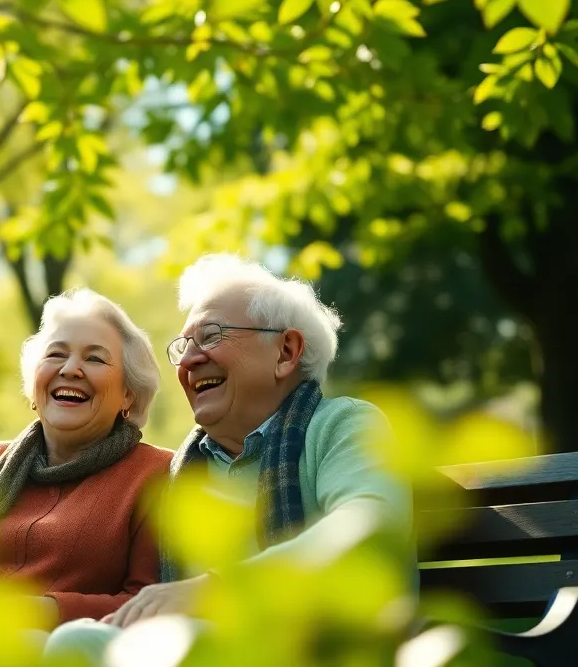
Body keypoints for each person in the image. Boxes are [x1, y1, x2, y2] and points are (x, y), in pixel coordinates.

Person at [44, 254, 414, 660]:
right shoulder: (184, 473)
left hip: (322, 650)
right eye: (184, 346)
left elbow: (369, 531)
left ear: (286, 352)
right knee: (72, 642)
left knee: (75, 645)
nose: (186, 361)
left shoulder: (344, 425)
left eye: (212, 335)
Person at [0, 289, 173, 626]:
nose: (71, 369)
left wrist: (43, 610)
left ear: (128, 396)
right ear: (35, 385)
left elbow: (148, 603)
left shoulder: (157, 474)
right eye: (56, 354)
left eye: (94, 358)